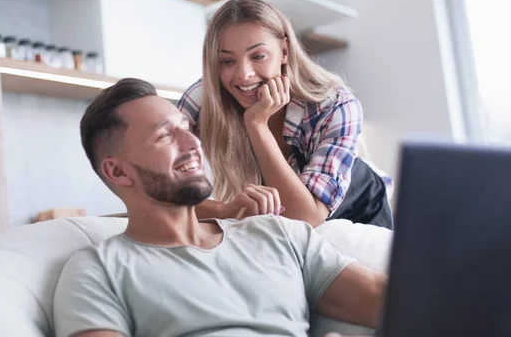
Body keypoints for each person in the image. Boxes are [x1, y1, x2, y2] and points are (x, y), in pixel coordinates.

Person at [53, 78, 387, 337]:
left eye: (185, 128)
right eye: (165, 136)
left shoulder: (277, 232)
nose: (193, 143)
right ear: (117, 171)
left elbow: (394, 302)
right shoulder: (99, 270)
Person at [177, 0, 393, 229]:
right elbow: (159, 190)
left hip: (360, 208)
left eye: (258, 56)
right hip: (285, 219)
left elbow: (305, 217)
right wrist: (225, 210)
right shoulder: (203, 99)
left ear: (284, 52)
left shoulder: (335, 105)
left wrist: (257, 124)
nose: (243, 74)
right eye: (227, 61)